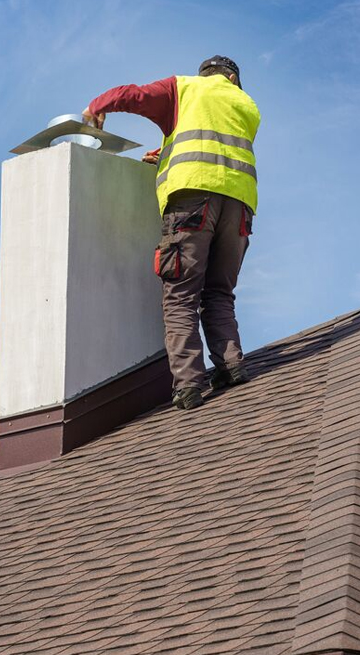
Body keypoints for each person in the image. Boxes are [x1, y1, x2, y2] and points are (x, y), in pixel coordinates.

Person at [83, 56, 260, 410]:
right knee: (219, 292)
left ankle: (190, 384)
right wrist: (165, 153)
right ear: (232, 78)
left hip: (192, 202)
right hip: (239, 206)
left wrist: (95, 106)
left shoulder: (184, 88)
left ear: (205, 75)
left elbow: (132, 95)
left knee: (180, 294)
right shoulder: (246, 104)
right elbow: (214, 147)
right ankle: (231, 366)